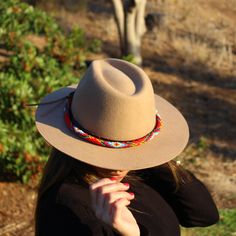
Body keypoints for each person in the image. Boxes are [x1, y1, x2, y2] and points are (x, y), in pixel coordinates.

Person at [34, 58, 219, 236]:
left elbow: (202, 215)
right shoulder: (64, 207)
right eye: (116, 146)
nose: (119, 166)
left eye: (128, 146)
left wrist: (154, 153)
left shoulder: (142, 174)